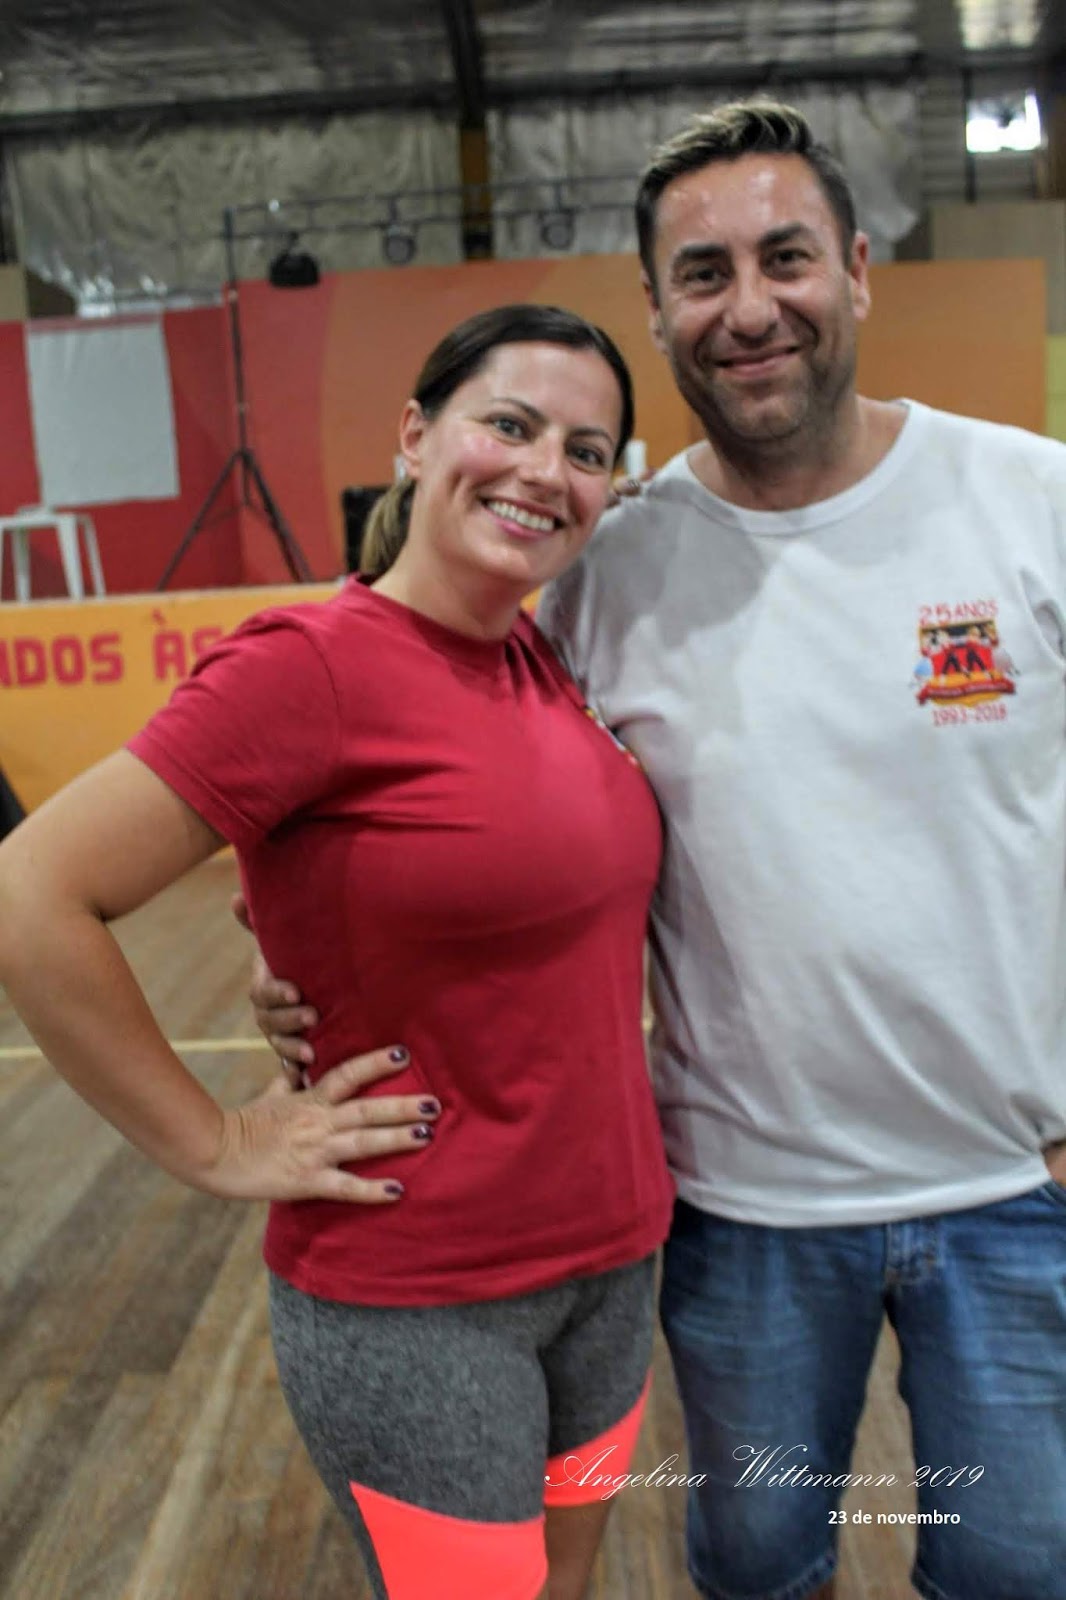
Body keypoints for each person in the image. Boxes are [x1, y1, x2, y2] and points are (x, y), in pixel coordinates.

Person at [256, 104, 1066, 1600]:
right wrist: (314, 966)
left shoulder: (1031, 500)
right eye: (704, 273)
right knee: (755, 1571)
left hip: (1019, 1196)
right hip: (739, 1214)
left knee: (1018, 1575)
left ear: (857, 270)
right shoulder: (601, 568)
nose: (749, 308)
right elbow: (459, 803)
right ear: (657, 307)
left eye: (786, 258)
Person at [0, 303, 676, 1600]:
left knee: (566, 1587)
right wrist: (215, 1142)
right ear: (416, 438)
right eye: (510, 424)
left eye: (587, 451)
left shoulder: (544, 660)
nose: (546, 470)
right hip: (418, 1296)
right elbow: (33, 893)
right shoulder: (308, 667)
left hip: (608, 1265)